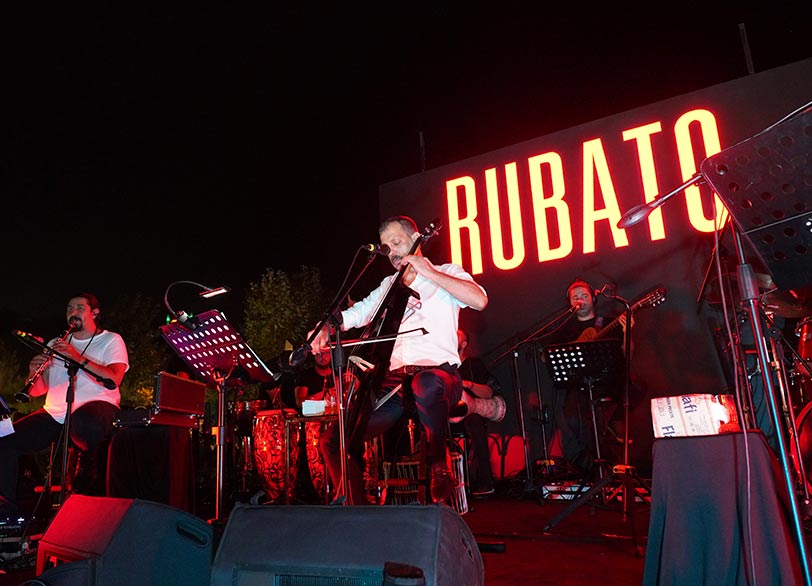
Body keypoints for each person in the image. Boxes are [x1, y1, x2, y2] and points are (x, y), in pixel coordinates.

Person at [309, 215, 488, 505]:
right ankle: (355, 509)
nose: (391, 252)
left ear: (416, 238)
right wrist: (326, 327)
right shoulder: (388, 286)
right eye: (386, 247)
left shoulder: (446, 272)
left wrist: (428, 271)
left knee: (425, 383)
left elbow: (479, 300)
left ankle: (439, 463)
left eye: (396, 242)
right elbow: (356, 314)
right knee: (333, 440)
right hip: (396, 385)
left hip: (440, 378)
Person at [0, 293, 129, 519]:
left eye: (79, 307)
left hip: (96, 410)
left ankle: (86, 505)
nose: (73, 312)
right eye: (69, 308)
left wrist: (76, 357)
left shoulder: (111, 340)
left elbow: (113, 378)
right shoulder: (55, 343)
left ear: (95, 313)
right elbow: (39, 390)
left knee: (86, 426)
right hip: (55, 413)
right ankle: (6, 512)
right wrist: (33, 372)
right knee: (5, 441)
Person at [543, 278, 628, 475]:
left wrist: (628, 332)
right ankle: (598, 467)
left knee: (596, 421)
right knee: (574, 419)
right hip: (577, 386)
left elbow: (627, 356)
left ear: (593, 299)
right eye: (575, 298)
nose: (580, 300)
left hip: (605, 383)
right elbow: (545, 357)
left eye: (584, 296)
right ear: (570, 303)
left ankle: (606, 467)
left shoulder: (607, 323)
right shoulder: (563, 329)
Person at [450, 328, 503, 497]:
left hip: (470, 415)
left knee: (475, 422)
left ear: (464, 344)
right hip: (448, 417)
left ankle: (486, 482)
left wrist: (468, 384)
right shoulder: (442, 367)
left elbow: (489, 393)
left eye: (457, 334)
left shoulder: (473, 364)